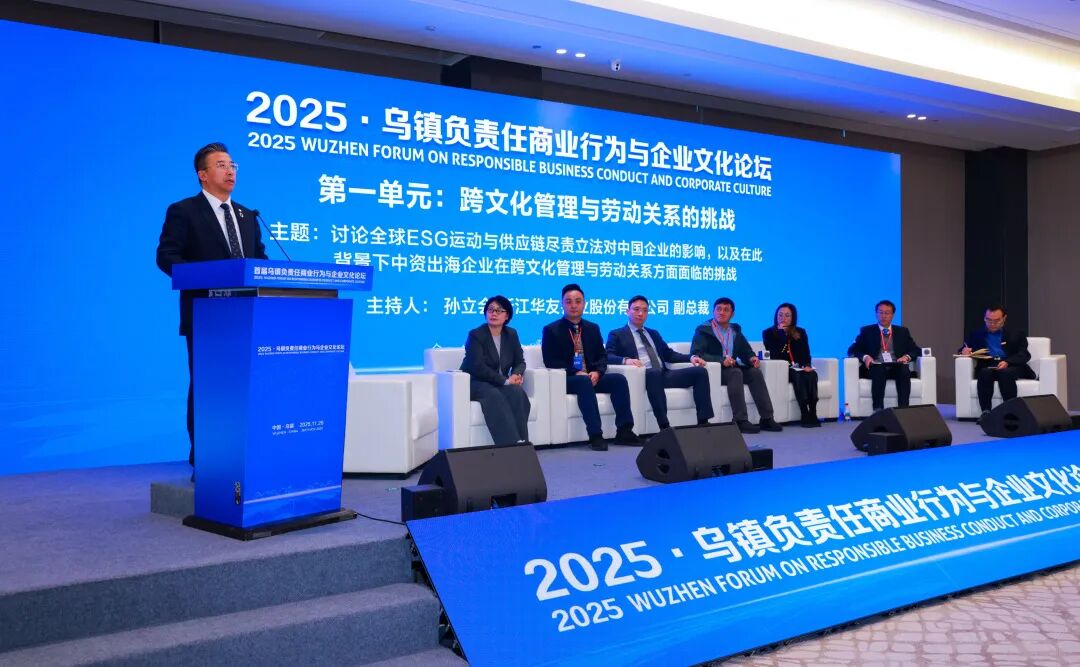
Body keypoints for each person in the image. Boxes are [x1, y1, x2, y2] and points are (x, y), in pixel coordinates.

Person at [156, 142, 267, 470]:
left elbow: (259, 260)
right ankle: (205, 459)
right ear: (202, 175)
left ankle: (243, 454)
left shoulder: (247, 216)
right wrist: (207, 277)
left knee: (245, 386)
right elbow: (167, 256)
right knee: (209, 386)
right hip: (207, 315)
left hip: (247, 316)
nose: (230, 170)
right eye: (221, 165)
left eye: (232, 165)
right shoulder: (184, 211)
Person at [542, 284, 640, 450]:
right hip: (568, 379)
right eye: (569, 301)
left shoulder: (592, 328)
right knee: (583, 382)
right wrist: (576, 372)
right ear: (562, 304)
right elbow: (550, 361)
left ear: (584, 304)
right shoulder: (551, 330)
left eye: (578, 301)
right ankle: (595, 435)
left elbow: (602, 356)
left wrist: (598, 372)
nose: (573, 305)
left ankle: (624, 431)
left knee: (618, 380)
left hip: (591, 376)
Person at [605, 295, 714, 430]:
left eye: (645, 310)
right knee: (654, 373)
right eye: (636, 309)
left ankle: (703, 422)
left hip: (663, 374)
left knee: (699, 372)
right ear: (627, 311)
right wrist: (626, 360)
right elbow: (608, 356)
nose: (641, 313)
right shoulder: (617, 334)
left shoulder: (653, 333)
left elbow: (669, 354)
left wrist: (691, 358)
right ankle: (664, 426)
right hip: (642, 376)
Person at [691, 297, 782, 434]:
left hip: (732, 368)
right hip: (716, 371)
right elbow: (697, 353)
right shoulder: (703, 330)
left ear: (732, 314)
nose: (721, 312)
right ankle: (740, 420)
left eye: (726, 310)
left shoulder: (735, 331)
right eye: (718, 309)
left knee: (754, 373)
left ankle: (767, 418)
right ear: (713, 311)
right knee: (736, 373)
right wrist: (721, 360)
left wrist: (752, 358)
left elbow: (746, 350)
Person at [460, 295, 531, 446]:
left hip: (499, 382)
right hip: (476, 382)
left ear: (507, 316)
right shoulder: (476, 335)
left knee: (517, 392)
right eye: (490, 310)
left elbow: (520, 361)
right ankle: (510, 445)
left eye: (499, 310)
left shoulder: (511, 334)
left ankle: (523, 443)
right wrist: (505, 381)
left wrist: (516, 374)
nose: (494, 313)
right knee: (493, 395)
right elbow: (477, 367)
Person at [958, 304, 1035, 419]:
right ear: (984, 318)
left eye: (996, 321)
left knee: (1005, 373)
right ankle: (986, 413)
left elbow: (1024, 354)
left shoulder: (1016, 333)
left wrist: (1008, 362)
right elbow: (963, 348)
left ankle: (1010, 413)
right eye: (988, 320)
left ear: (1004, 318)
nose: (992, 324)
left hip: (1011, 365)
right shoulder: (976, 334)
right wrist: (964, 351)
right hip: (989, 365)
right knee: (985, 372)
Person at [848, 299, 920, 412]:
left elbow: (916, 350)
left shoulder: (902, 331)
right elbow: (853, 350)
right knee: (879, 370)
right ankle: (878, 410)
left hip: (896, 365)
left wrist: (906, 357)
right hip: (875, 366)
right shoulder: (867, 331)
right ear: (876, 314)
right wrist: (865, 357)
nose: (883, 316)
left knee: (904, 370)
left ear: (893, 315)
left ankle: (904, 410)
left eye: (887, 313)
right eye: (880, 312)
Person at [762, 302, 820, 427]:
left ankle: (813, 412)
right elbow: (776, 354)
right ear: (776, 316)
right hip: (783, 369)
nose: (783, 318)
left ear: (793, 317)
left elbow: (806, 353)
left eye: (787, 315)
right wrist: (782, 335)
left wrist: (806, 365)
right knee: (798, 375)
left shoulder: (800, 332)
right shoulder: (768, 333)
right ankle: (804, 413)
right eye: (780, 315)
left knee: (812, 374)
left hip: (799, 367)